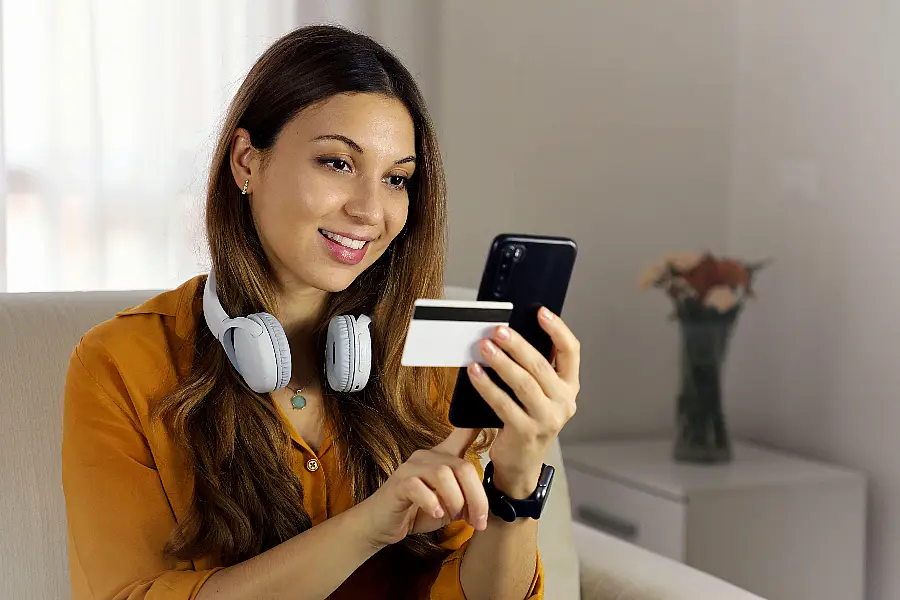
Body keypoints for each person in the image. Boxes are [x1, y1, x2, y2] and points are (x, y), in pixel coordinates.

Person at [61, 24, 580, 600]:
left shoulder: (436, 348)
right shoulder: (122, 363)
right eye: (336, 162)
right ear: (246, 162)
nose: (369, 210)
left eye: (396, 179)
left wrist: (518, 472)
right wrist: (367, 526)